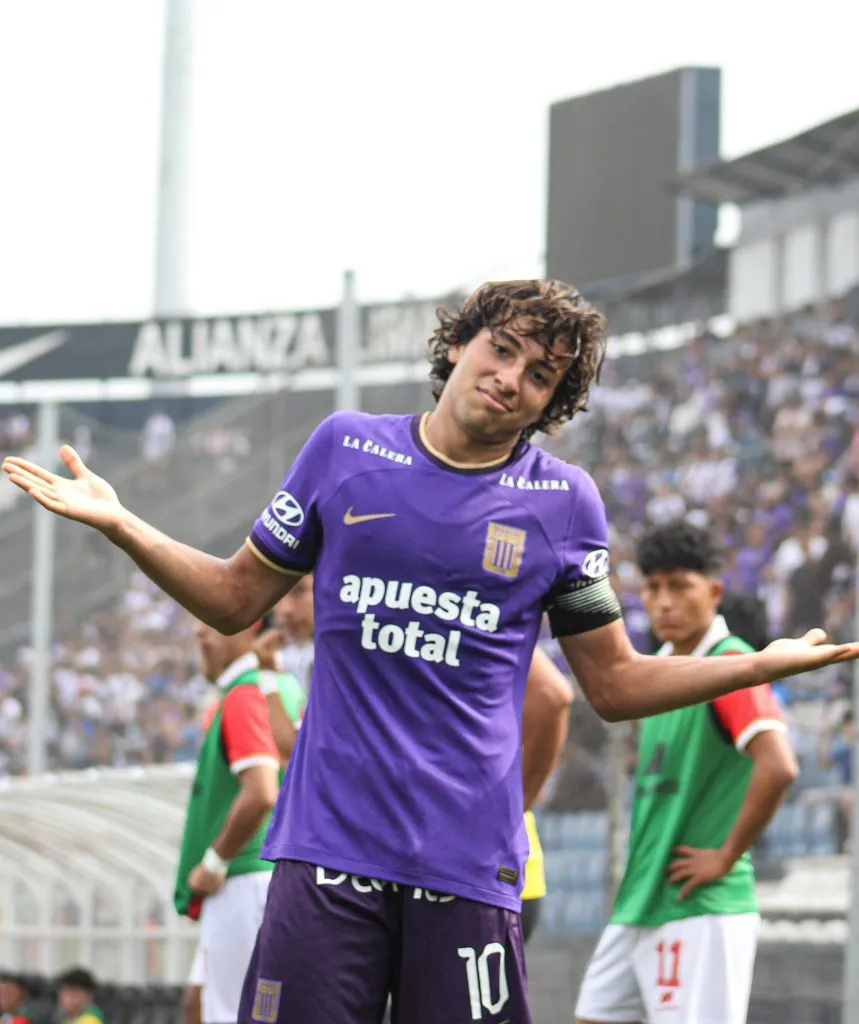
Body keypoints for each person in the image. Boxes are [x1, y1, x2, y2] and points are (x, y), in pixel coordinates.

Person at [4, 280, 857, 1024]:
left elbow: (611, 683)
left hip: (466, 866)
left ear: (551, 404)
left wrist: (759, 662)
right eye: (502, 350)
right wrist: (122, 524)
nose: (510, 380)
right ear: (456, 345)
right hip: (326, 851)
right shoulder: (344, 450)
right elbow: (235, 597)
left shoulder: (563, 504)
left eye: (540, 377)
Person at [575, 521, 799, 1024]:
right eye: (653, 588)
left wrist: (724, 856)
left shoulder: (732, 664)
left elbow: (779, 765)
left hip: (700, 908)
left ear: (714, 591)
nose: (664, 602)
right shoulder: (655, 672)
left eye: (680, 586)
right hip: (641, 901)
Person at [174, 619, 302, 1024]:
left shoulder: (245, 693)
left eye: (210, 619)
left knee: (232, 1016)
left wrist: (213, 862)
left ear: (250, 626)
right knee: (202, 1007)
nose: (200, 632)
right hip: (262, 879)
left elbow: (261, 790)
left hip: (245, 879)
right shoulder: (279, 687)